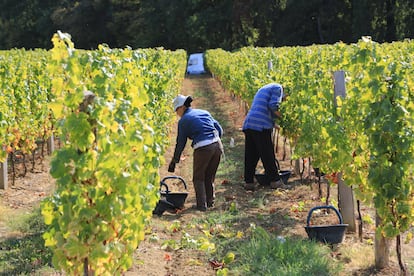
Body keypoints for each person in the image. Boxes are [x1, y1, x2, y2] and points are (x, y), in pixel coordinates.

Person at [168, 95, 223, 211]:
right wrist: (215, 142)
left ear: (182, 107)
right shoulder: (204, 112)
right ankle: (210, 201)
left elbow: (180, 143)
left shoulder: (183, 121)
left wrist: (174, 161)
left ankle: (201, 206)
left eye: (176, 110)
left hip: (203, 148)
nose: (177, 113)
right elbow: (219, 129)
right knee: (209, 175)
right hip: (217, 145)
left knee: (199, 178)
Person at [242, 83, 288, 191]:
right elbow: (273, 105)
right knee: (267, 154)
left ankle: (248, 182)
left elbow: (263, 108)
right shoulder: (278, 88)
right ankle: (275, 181)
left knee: (251, 155)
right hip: (260, 125)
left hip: (249, 123)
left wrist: (274, 124)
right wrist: (284, 119)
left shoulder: (265, 88)